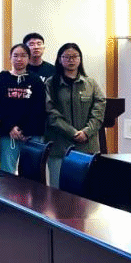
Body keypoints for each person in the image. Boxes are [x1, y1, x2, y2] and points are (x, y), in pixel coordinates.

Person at [45, 42, 106, 187]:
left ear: (80, 59)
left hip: (87, 146)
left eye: (74, 56)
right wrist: (72, 132)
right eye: (66, 57)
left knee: (85, 190)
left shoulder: (91, 84)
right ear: (60, 59)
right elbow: (50, 112)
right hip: (59, 147)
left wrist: (86, 132)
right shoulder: (51, 83)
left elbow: (99, 110)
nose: (71, 60)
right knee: (58, 190)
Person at [0, 43, 47, 174]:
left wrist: (24, 130)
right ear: (10, 57)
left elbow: (39, 107)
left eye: (23, 56)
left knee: (31, 172)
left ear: (29, 58)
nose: (19, 59)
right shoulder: (2, 77)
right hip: (8, 132)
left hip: (31, 133)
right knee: (7, 172)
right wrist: (11, 127)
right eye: (15, 55)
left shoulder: (36, 80)